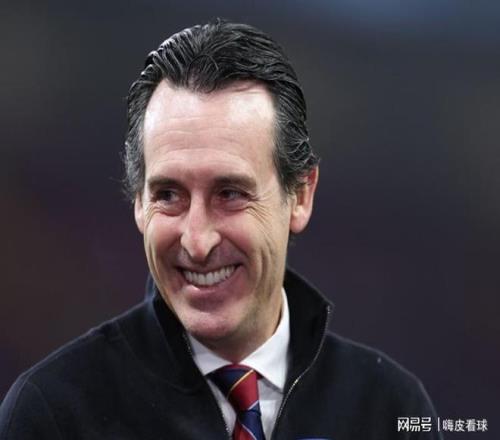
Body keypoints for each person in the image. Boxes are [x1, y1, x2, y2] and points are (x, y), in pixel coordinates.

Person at [0, 20, 442, 439]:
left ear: (300, 196)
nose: (197, 241)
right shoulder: (53, 414)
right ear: (138, 203)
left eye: (230, 193)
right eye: (168, 195)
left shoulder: (389, 409)